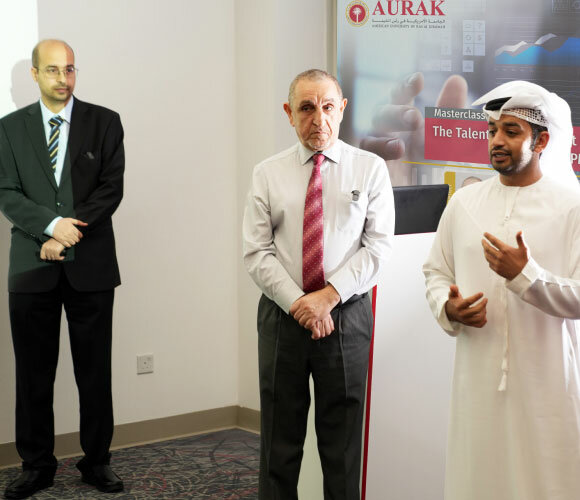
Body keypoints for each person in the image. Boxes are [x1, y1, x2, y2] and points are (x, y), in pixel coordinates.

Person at [423, 80, 580, 500]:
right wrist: (448, 308)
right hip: (477, 376)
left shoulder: (571, 207)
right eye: (493, 130)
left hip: (546, 380)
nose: (496, 141)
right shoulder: (463, 204)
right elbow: (435, 271)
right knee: (479, 478)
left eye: (511, 131)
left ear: (541, 141)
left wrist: (526, 276)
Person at [243, 69, 394, 499]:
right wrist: (300, 303)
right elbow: (256, 252)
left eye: (328, 107)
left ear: (341, 109)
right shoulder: (268, 173)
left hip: (346, 318)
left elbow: (378, 248)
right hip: (282, 316)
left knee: (342, 447)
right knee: (279, 442)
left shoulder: (370, 169)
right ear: (289, 113)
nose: (319, 119)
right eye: (306, 108)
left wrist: (327, 298)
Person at [0, 39, 124, 499]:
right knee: (33, 375)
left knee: (95, 372)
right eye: (52, 70)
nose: (63, 78)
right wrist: (50, 228)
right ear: (34, 74)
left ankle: (97, 461)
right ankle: (36, 466)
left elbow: (110, 189)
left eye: (69, 69)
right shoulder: (9, 129)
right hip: (31, 269)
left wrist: (68, 232)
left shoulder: (105, 122)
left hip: (91, 268)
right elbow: (6, 192)